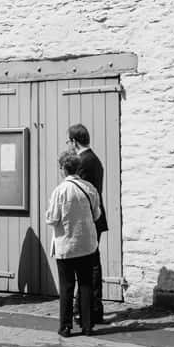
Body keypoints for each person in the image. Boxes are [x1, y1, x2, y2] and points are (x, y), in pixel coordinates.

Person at [45, 150, 101, 337]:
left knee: (67, 286)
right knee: (85, 284)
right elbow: (97, 214)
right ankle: (87, 325)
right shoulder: (89, 188)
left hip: (66, 244)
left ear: (63, 169)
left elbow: (53, 219)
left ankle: (65, 326)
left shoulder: (60, 191)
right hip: (86, 244)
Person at [67, 124, 106, 324]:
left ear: (74, 141)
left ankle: (85, 310)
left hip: (87, 220)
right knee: (92, 265)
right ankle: (92, 308)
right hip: (96, 218)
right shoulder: (95, 159)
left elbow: (77, 193)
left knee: (86, 267)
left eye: (69, 141)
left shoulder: (83, 161)